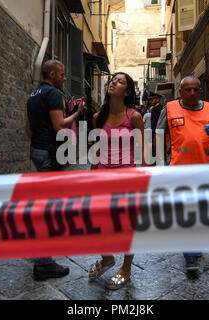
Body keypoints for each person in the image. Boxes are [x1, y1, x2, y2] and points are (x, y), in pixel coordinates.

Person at [155, 76, 209, 272]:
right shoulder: (170, 108)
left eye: (196, 89)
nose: (192, 93)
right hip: (178, 168)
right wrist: (158, 162)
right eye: (187, 90)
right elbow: (158, 133)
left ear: (200, 91)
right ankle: (190, 256)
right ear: (180, 92)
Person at [26, 60, 83, 281]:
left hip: (38, 150)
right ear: (51, 74)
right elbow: (59, 125)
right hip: (50, 153)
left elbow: (28, 128)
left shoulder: (33, 95)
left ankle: (38, 251)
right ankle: (43, 263)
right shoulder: (51, 94)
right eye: (61, 74)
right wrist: (77, 113)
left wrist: (40, 144)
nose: (65, 78)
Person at [89, 72, 146, 290]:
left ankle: (126, 269)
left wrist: (147, 180)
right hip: (102, 175)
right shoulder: (97, 117)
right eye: (113, 79)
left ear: (127, 91)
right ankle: (106, 258)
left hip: (126, 178)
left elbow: (144, 153)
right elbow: (96, 149)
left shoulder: (134, 117)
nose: (113, 82)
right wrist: (91, 176)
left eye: (120, 81)